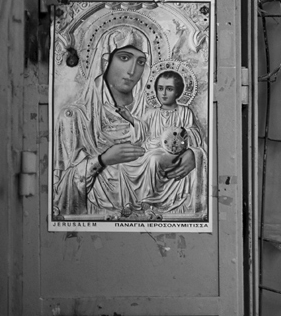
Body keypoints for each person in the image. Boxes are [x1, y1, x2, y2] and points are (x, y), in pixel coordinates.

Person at [53, 24, 198, 218]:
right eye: (124, 58)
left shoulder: (153, 111)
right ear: (105, 62)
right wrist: (102, 160)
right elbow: (61, 187)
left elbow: (180, 138)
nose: (132, 70)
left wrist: (194, 155)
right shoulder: (75, 117)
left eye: (140, 62)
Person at [133, 69, 207, 214]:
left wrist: (182, 134)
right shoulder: (151, 113)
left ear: (178, 92)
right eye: (160, 89)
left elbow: (193, 133)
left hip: (174, 153)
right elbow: (141, 133)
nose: (164, 93)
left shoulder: (184, 112)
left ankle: (149, 199)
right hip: (151, 149)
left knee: (154, 159)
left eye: (169, 89)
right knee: (144, 159)